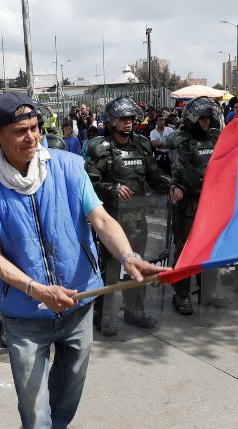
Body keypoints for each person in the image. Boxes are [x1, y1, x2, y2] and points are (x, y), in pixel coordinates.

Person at [0, 92, 166, 429]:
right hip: (24, 315)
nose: (31, 138)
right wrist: (37, 291)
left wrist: (127, 257)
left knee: (70, 388)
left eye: (35, 128)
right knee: (33, 405)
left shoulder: (70, 167)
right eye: (20, 131)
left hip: (79, 302)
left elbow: (101, 221)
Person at [86, 96, 184, 336]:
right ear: (111, 121)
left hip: (139, 219)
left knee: (138, 265)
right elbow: (89, 183)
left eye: (131, 118)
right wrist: (113, 188)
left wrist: (170, 185)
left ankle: (135, 311)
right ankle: (104, 315)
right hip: (111, 222)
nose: (128, 122)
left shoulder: (142, 145)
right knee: (110, 271)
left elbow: (154, 175)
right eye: (123, 118)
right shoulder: (101, 147)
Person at [165, 96, 234, 315]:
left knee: (211, 248)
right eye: (202, 118)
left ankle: (208, 291)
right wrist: (181, 186)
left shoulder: (216, 137)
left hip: (212, 203)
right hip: (188, 203)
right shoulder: (179, 140)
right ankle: (182, 294)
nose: (206, 121)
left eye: (208, 117)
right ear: (193, 119)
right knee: (185, 249)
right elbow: (179, 170)